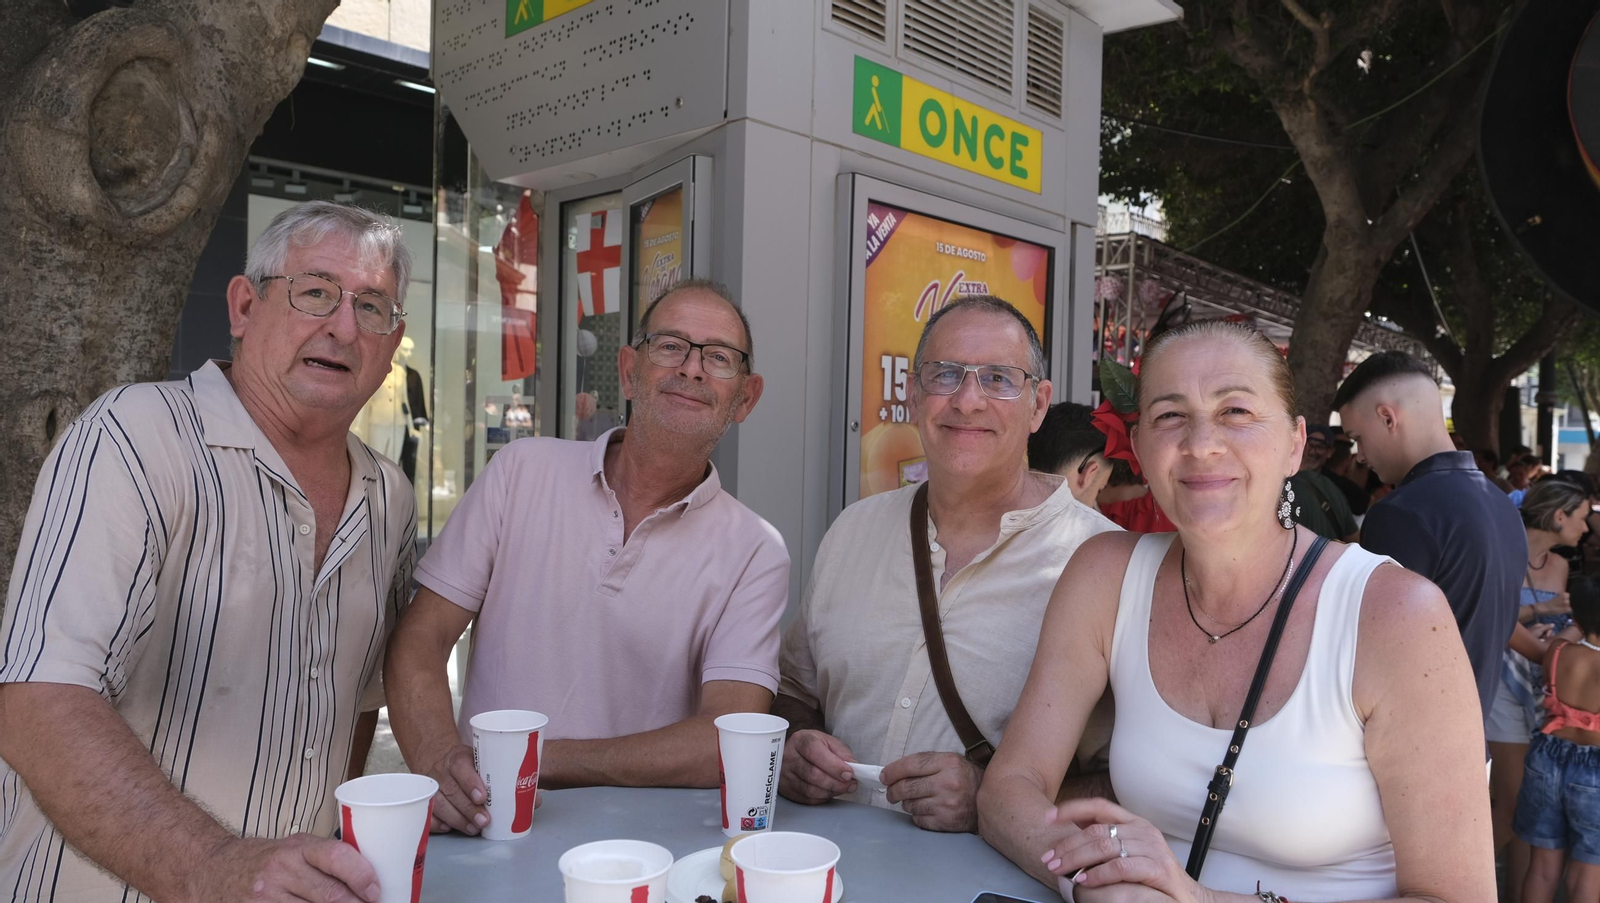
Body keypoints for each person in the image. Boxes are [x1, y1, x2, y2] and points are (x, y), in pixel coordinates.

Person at [978, 318, 1492, 901]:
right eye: (1170, 416)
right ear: (1141, 448)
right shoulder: (1104, 576)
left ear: (1295, 444)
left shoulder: (1396, 616)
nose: (1202, 444)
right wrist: (1088, 878)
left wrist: (1195, 900)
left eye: (1237, 412)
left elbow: (1459, 896)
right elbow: (1010, 788)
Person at [0, 202, 419, 902]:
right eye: (315, 290)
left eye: (372, 306)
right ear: (245, 305)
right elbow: (37, 699)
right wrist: (215, 865)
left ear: (392, 338)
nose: (343, 326)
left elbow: (356, 702)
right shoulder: (133, 437)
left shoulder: (390, 496)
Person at [385, 279, 788, 836]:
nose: (692, 369)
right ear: (628, 370)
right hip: (491, 826)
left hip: (640, 852)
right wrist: (440, 765)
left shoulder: (755, 551)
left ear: (745, 398)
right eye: (670, 345)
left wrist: (534, 760)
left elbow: (723, 737)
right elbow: (420, 640)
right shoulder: (520, 472)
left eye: (719, 358)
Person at [776, 296, 1119, 833]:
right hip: (832, 874)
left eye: (999, 379)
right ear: (913, 396)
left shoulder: (1104, 564)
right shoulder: (852, 532)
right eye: (945, 374)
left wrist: (993, 798)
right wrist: (794, 747)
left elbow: (1127, 785)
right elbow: (794, 693)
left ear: (1038, 405)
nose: (967, 400)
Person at [1337, 351, 1526, 727]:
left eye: (1357, 438)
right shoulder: (1501, 504)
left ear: (1388, 417)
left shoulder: (1402, 513)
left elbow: (1371, 654)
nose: (1359, 456)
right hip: (1471, 743)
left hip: (1409, 750)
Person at [1492, 479, 1591, 903]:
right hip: (1500, 681)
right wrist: (1544, 617)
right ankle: (1441, 881)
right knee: (1512, 804)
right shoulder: (1500, 550)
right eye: (1583, 518)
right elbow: (1486, 613)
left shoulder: (1560, 565)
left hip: (1543, 688)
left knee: (1527, 818)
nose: (1588, 529)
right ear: (1559, 516)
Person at [1517, 575, 1600, 903]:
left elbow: (1570, 634)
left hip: (1547, 758)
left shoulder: (1558, 651)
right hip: (1594, 773)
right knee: (1586, 872)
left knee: (1541, 868)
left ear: (1576, 618)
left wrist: (1579, 621)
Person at [1028, 401, 1115, 508]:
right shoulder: (1090, 524)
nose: (1094, 502)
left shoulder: (1005, 511)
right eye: (1099, 490)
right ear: (1088, 473)